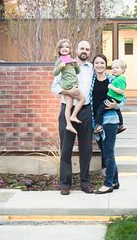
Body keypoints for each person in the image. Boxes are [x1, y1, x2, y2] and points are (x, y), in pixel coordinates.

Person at [51, 40, 95, 195]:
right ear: (76, 49)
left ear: (90, 52)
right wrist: (68, 92)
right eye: (82, 48)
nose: (84, 51)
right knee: (66, 148)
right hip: (67, 111)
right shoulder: (65, 63)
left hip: (85, 111)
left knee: (86, 149)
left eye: (87, 49)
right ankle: (65, 184)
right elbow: (54, 86)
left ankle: (85, 183)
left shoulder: (92, 68)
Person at [91, 53, 123, 194]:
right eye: (97, 63)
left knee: (109, 153)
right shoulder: (91, 81)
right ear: (94, 65)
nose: (99, 65)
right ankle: (115, 181)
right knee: (105, 153)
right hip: (96, 122)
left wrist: (115, 105)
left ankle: (108, 183)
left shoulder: (113, 79)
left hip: (110, 121)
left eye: (102, 63)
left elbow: (123, 98)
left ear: (106, 65)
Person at [52, 38, 83, 134]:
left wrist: (76, 65)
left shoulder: (70, 59)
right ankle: (73, 116)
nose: (65, 49)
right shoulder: (59, 60)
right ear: (59, 49)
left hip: (69, 85)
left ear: (70, 49)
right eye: (62, 47)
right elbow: (55, 73)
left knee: (68, 105)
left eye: (67, 47)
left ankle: (69, 124)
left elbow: (77, 72)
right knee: (82, 99)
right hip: (69, 85)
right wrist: (60, 66)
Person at [94, 59, 126, 135]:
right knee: (118, 112)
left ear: (123, 70)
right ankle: (121, 125)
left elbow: (122, 91)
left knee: (100, 111)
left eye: (117, 68)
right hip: (113, 98)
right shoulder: (115, 78)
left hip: (112, 99)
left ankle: (99, 127)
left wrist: (111, 87)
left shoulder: (118, 79)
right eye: (113, 68)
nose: (114, 70)